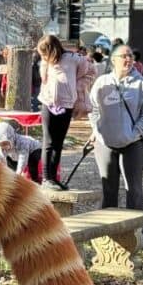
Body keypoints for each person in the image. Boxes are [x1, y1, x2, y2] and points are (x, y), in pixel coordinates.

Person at [88, 44, 143, 245]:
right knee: (108, 189)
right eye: (124, 56)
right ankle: (106, 238)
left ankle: (138, 237)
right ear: (114, 60)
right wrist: (97, 130)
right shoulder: (102, 82)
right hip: (105, 143)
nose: (128, 60)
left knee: (133, 190)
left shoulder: (141, 84)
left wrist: (133, 134)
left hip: (132, 144)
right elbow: (93, 108)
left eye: (131, 56)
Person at [36, 35, 95, 190]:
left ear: (53, 50)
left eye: (45, 54)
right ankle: (46, 177)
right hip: (48, 103)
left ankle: (54, 178)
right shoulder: (45, 62)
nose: (43, 57)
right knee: (48, 141)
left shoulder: (74, 59)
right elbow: (43, 76)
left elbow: (89, 71)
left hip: (66, 104)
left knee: (58, 142)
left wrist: (78, 86)